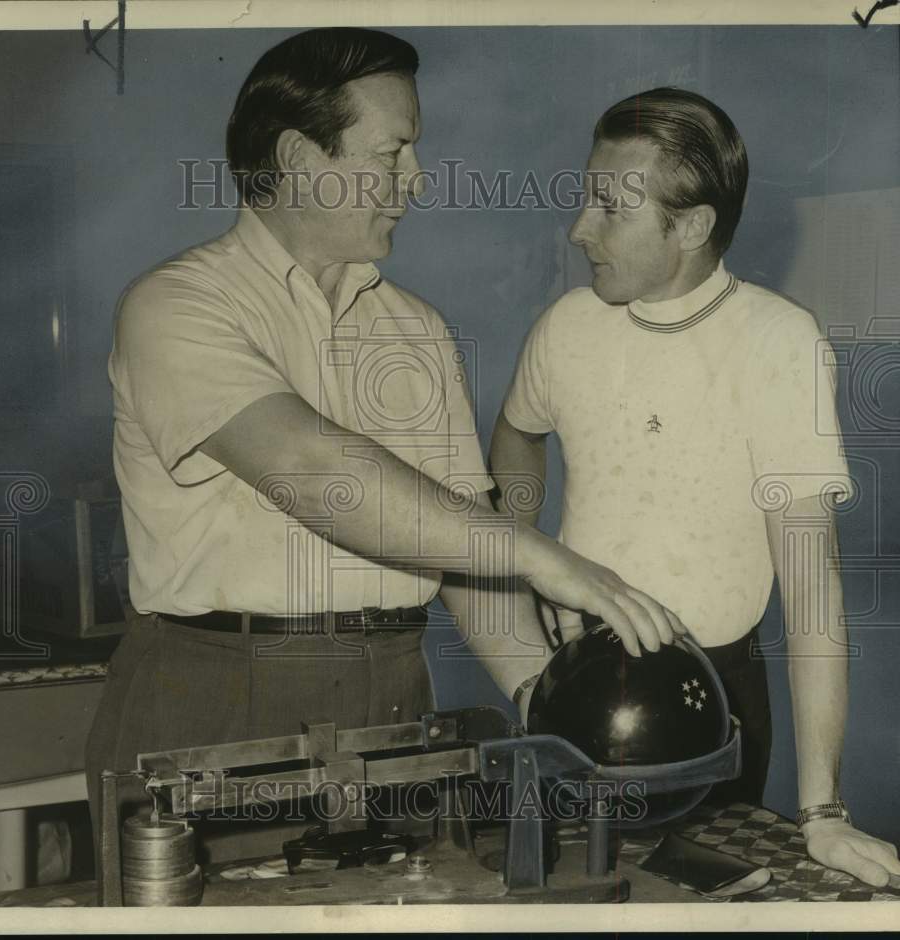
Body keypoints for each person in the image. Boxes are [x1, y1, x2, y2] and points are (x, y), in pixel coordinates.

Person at [85, 29, 683, 855]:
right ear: (299, 158)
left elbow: (464, 554)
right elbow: (315, 471)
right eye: (392, 153)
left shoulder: (416, 330)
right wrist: (544, 556)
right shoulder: (176, 307)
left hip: (394, 707)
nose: (417, 180)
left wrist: (549, 704)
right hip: (216, 701)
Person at [490, 86, 900, 887]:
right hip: (570, 690)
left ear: (692, 226)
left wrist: (821, 813)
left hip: (713, 699)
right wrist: (528, 548)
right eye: (586, 199)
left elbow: (813, 592)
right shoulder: (567, 326)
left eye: (611, 210)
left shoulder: (780, 342)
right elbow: (515, 436)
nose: (579, 230)